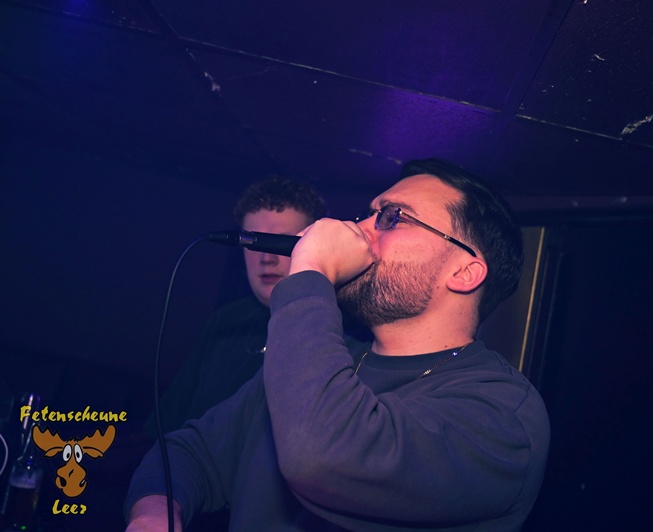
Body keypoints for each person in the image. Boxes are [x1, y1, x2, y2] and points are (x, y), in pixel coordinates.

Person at [125, 158, 550, 531]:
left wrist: (311, 270)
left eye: (393, 216)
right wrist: (154, 513)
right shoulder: (330, 358)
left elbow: (321, 458)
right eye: (369, 213)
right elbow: (190, 451)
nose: (358, 229)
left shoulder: (501, 416)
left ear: (464, 272)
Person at [146, 175, 328, 436]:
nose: (266, 257)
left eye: (280, 242)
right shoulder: (225, 321)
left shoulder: (334, 330)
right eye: (252, 242)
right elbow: (166, 424)